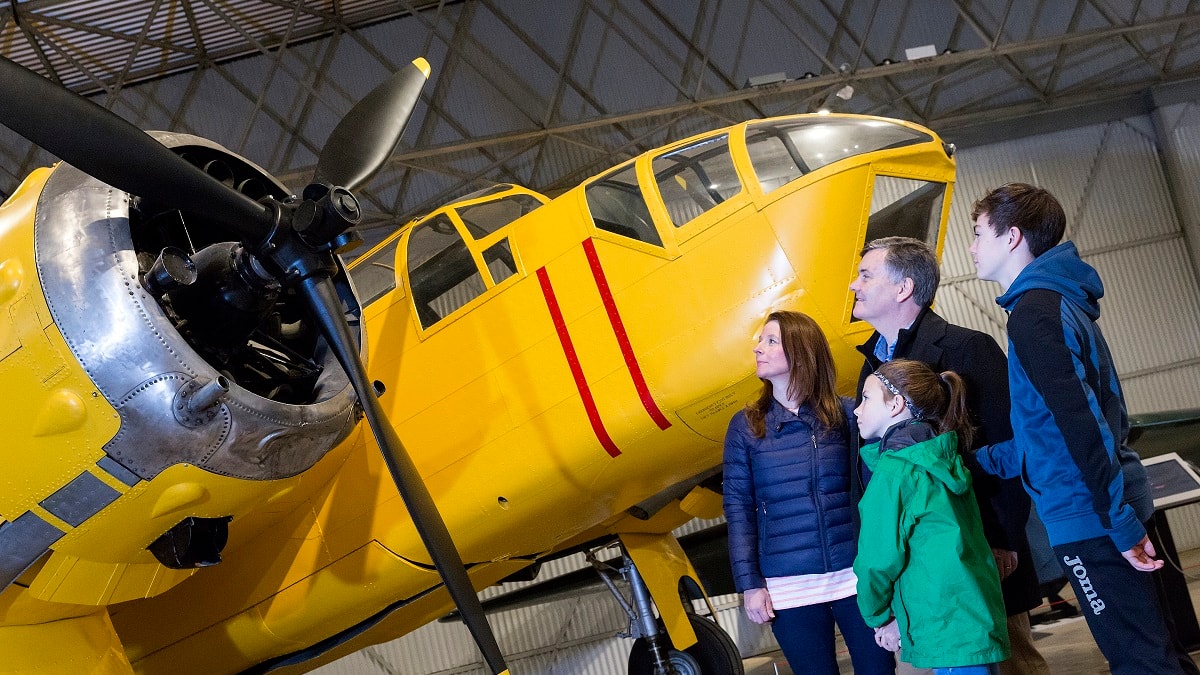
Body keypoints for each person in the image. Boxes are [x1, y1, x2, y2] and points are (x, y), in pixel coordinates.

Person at [969, 182, 1194, 674]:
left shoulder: (1035, 313)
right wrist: (974, 459)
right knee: (1154, 652)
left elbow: (1082, 425)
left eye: (978, 232)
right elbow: (1044, 431)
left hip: (1091, 513)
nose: (971, 246)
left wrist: (1116, 521)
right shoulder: (1050, 304)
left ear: (1012, 237)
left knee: (1140, 660)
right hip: (1098, 506)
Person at [849, 236, 1048, 675]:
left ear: (903, 288)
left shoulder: (969, 350)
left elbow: (1011, 448)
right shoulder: (870, 368)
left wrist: (1003, 540)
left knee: (1012, 663)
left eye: (866, 275)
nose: (853, 286)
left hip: (979, 555)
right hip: (916, 577)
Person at [723, 310, 894, 674]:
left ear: (801, 352)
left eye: (771, 341)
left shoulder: (849, 416)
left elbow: (876, 496)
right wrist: (750, 585)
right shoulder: (745, 426)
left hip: (855, 578)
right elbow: (738, 510)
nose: (758, 349)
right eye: (760, 340)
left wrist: (884, 572)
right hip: (789, 588)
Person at [854, 359, 1010, 674]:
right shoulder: (945, 460)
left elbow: (877, 559)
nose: (857, 409)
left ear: (896, 404)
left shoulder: (895, 473)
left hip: (942, 627)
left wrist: (880, 616)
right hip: (974, 617)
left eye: (867, 398)